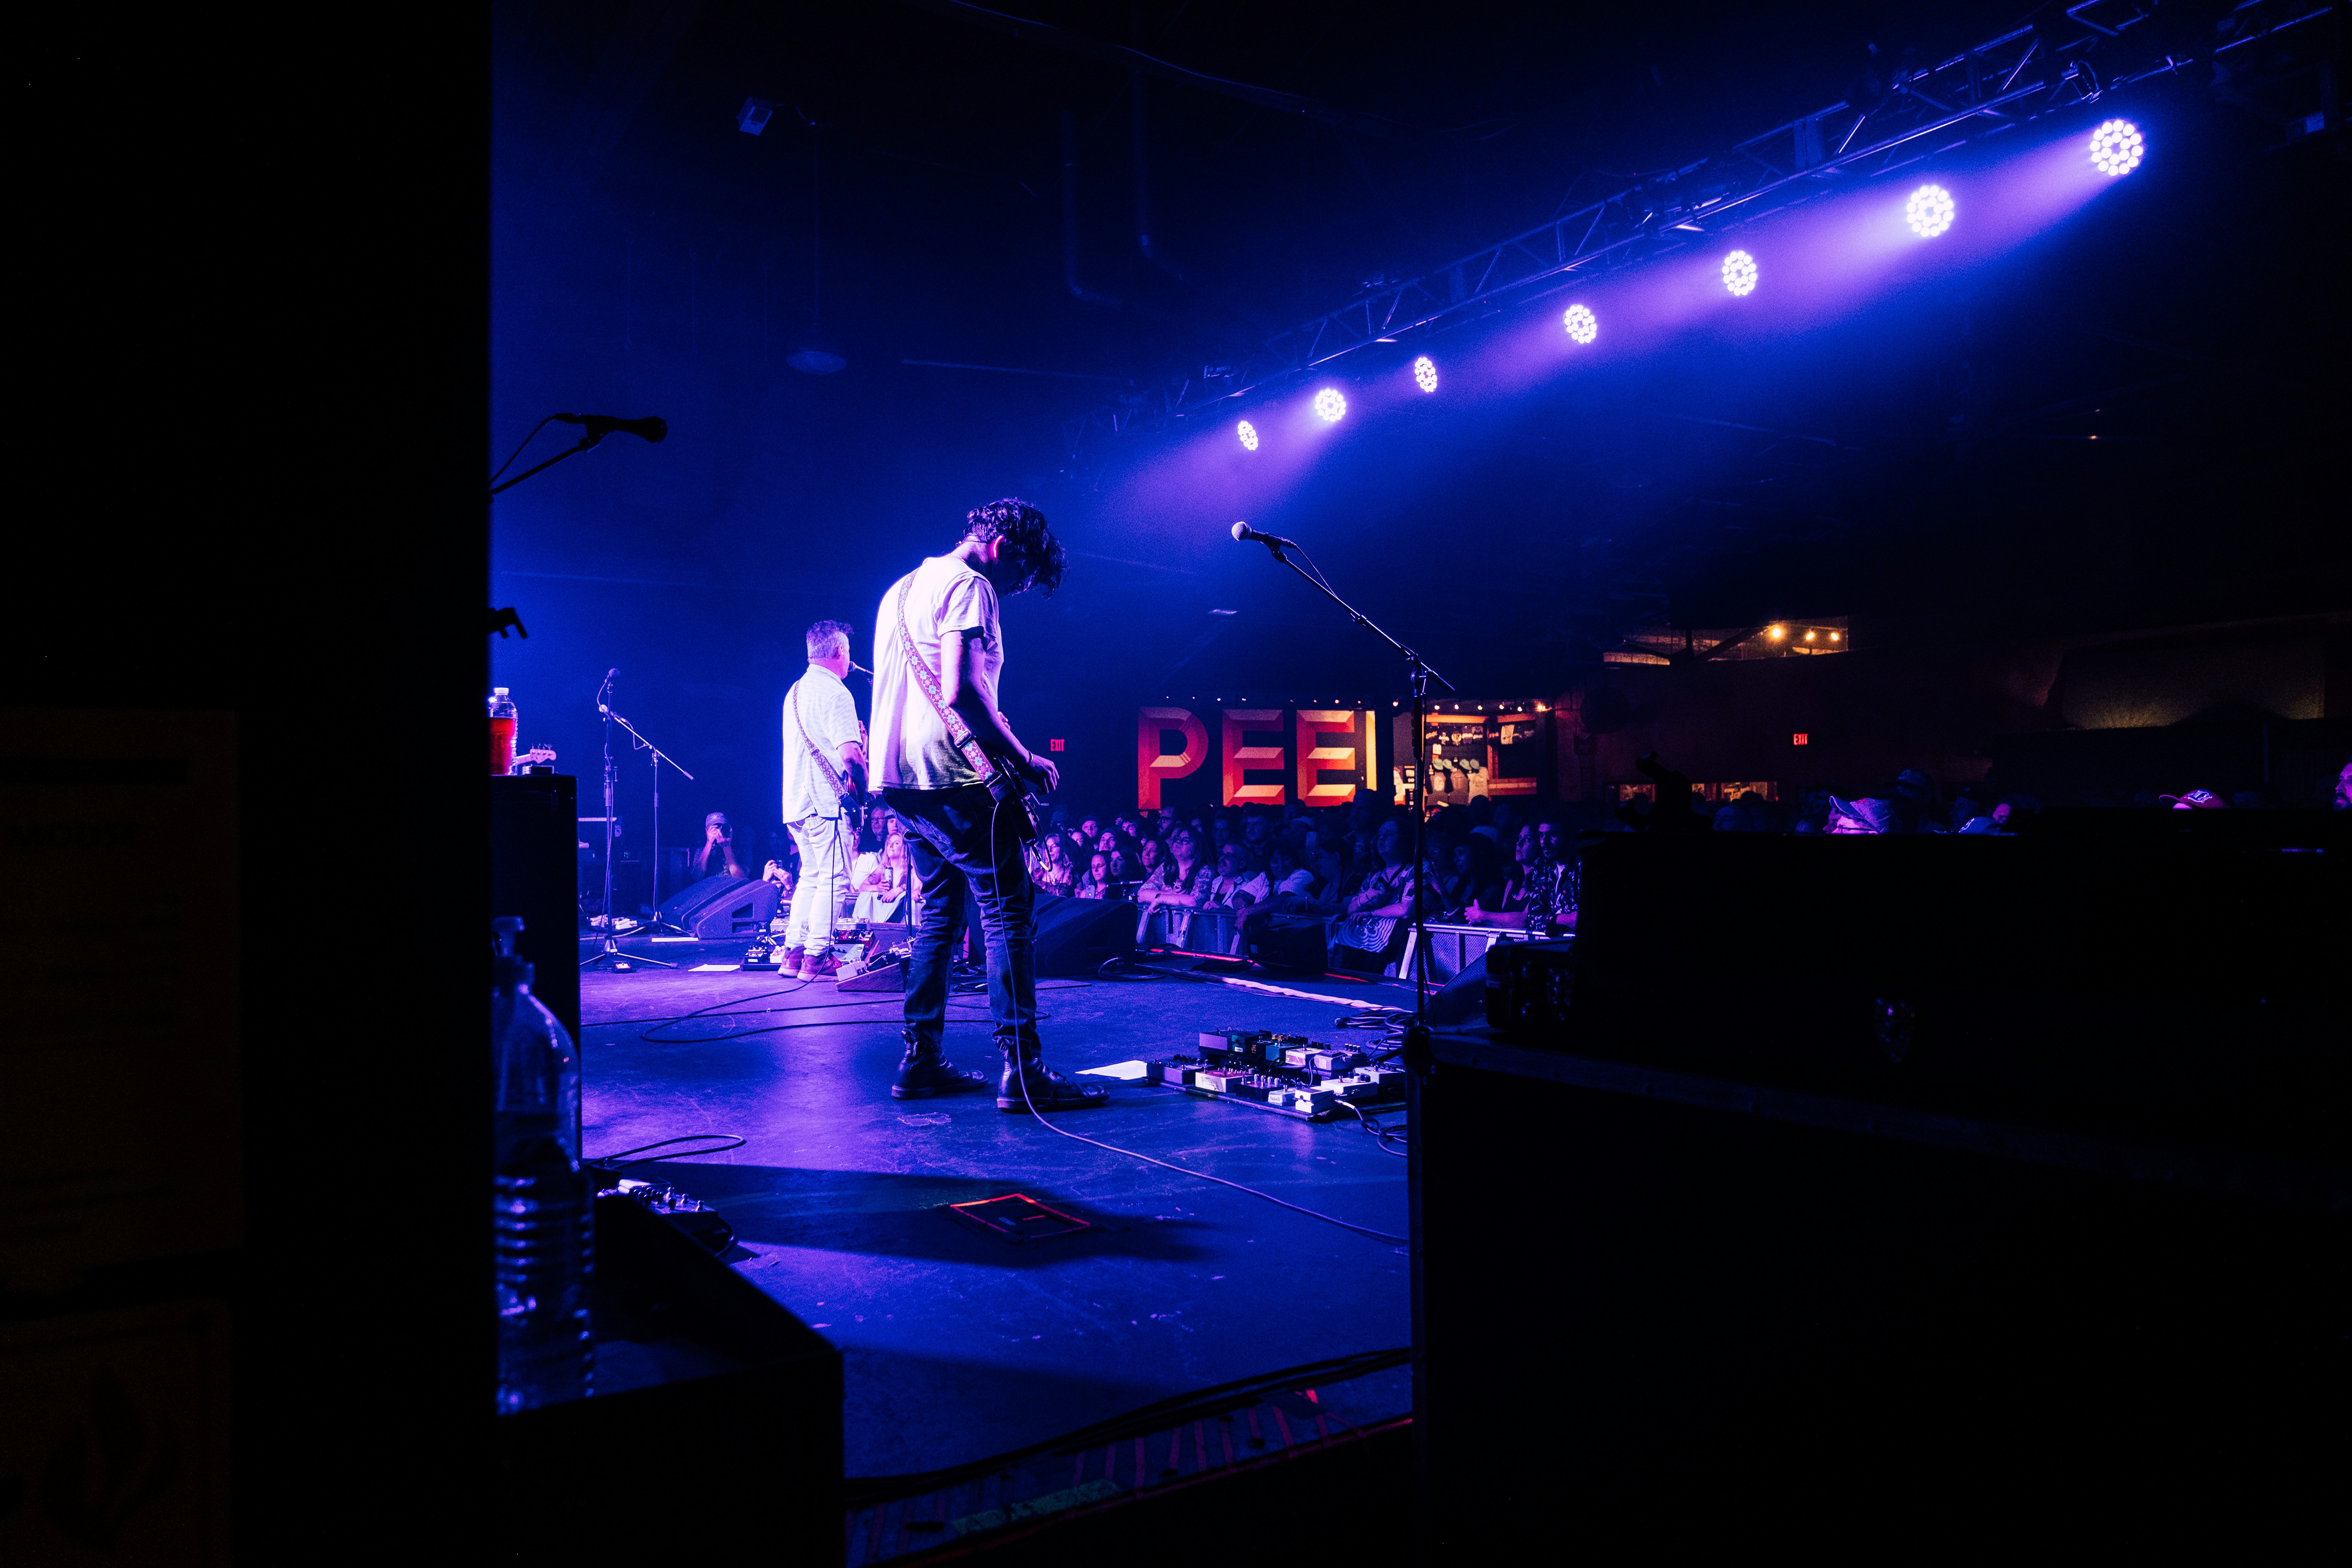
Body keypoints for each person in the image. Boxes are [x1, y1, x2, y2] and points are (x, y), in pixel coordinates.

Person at [870, 498, 1105, 1110]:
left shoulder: (901, 589)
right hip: (949, 774)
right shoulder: (971, 585)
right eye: (1022, 577)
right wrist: (1027, 761)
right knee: (1007, 913)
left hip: (899, 780)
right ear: (1003, 546)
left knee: (939, 918)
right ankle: (1024, 1071)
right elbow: (962, 693)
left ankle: (919, 1061)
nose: (1017, 589)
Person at [778, 620, 866, 979]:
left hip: (797, 801)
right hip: (826, 803)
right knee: (834, 880)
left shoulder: (795, 691)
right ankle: (817, 957)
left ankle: (793, 955)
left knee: (811, 878)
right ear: (839, 652)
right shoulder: (836, 693)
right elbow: (851, 757)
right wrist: (859, 796)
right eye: (848, 653)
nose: (850, 661)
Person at [695, 812, 747, 881]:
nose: (719, 830)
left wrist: (726, 847)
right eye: (715, 827)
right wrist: (709, 843)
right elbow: (696, 876)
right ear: (707, 831)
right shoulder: (701, 851)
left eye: (721, 827)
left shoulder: (741, 851)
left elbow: (741, 879)